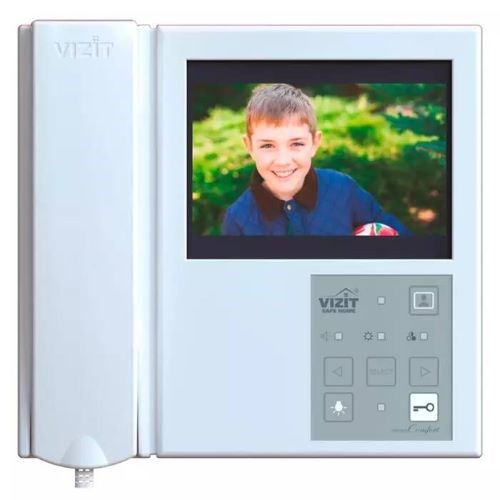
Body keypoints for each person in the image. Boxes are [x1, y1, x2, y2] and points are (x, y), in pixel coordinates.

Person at [221, 83, 409, 236]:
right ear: (249, 147)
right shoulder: (238, 218)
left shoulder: (343, 188)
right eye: (268, 146)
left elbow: (394, 234)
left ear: (314, 143)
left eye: (296, 144)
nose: (283, 160)